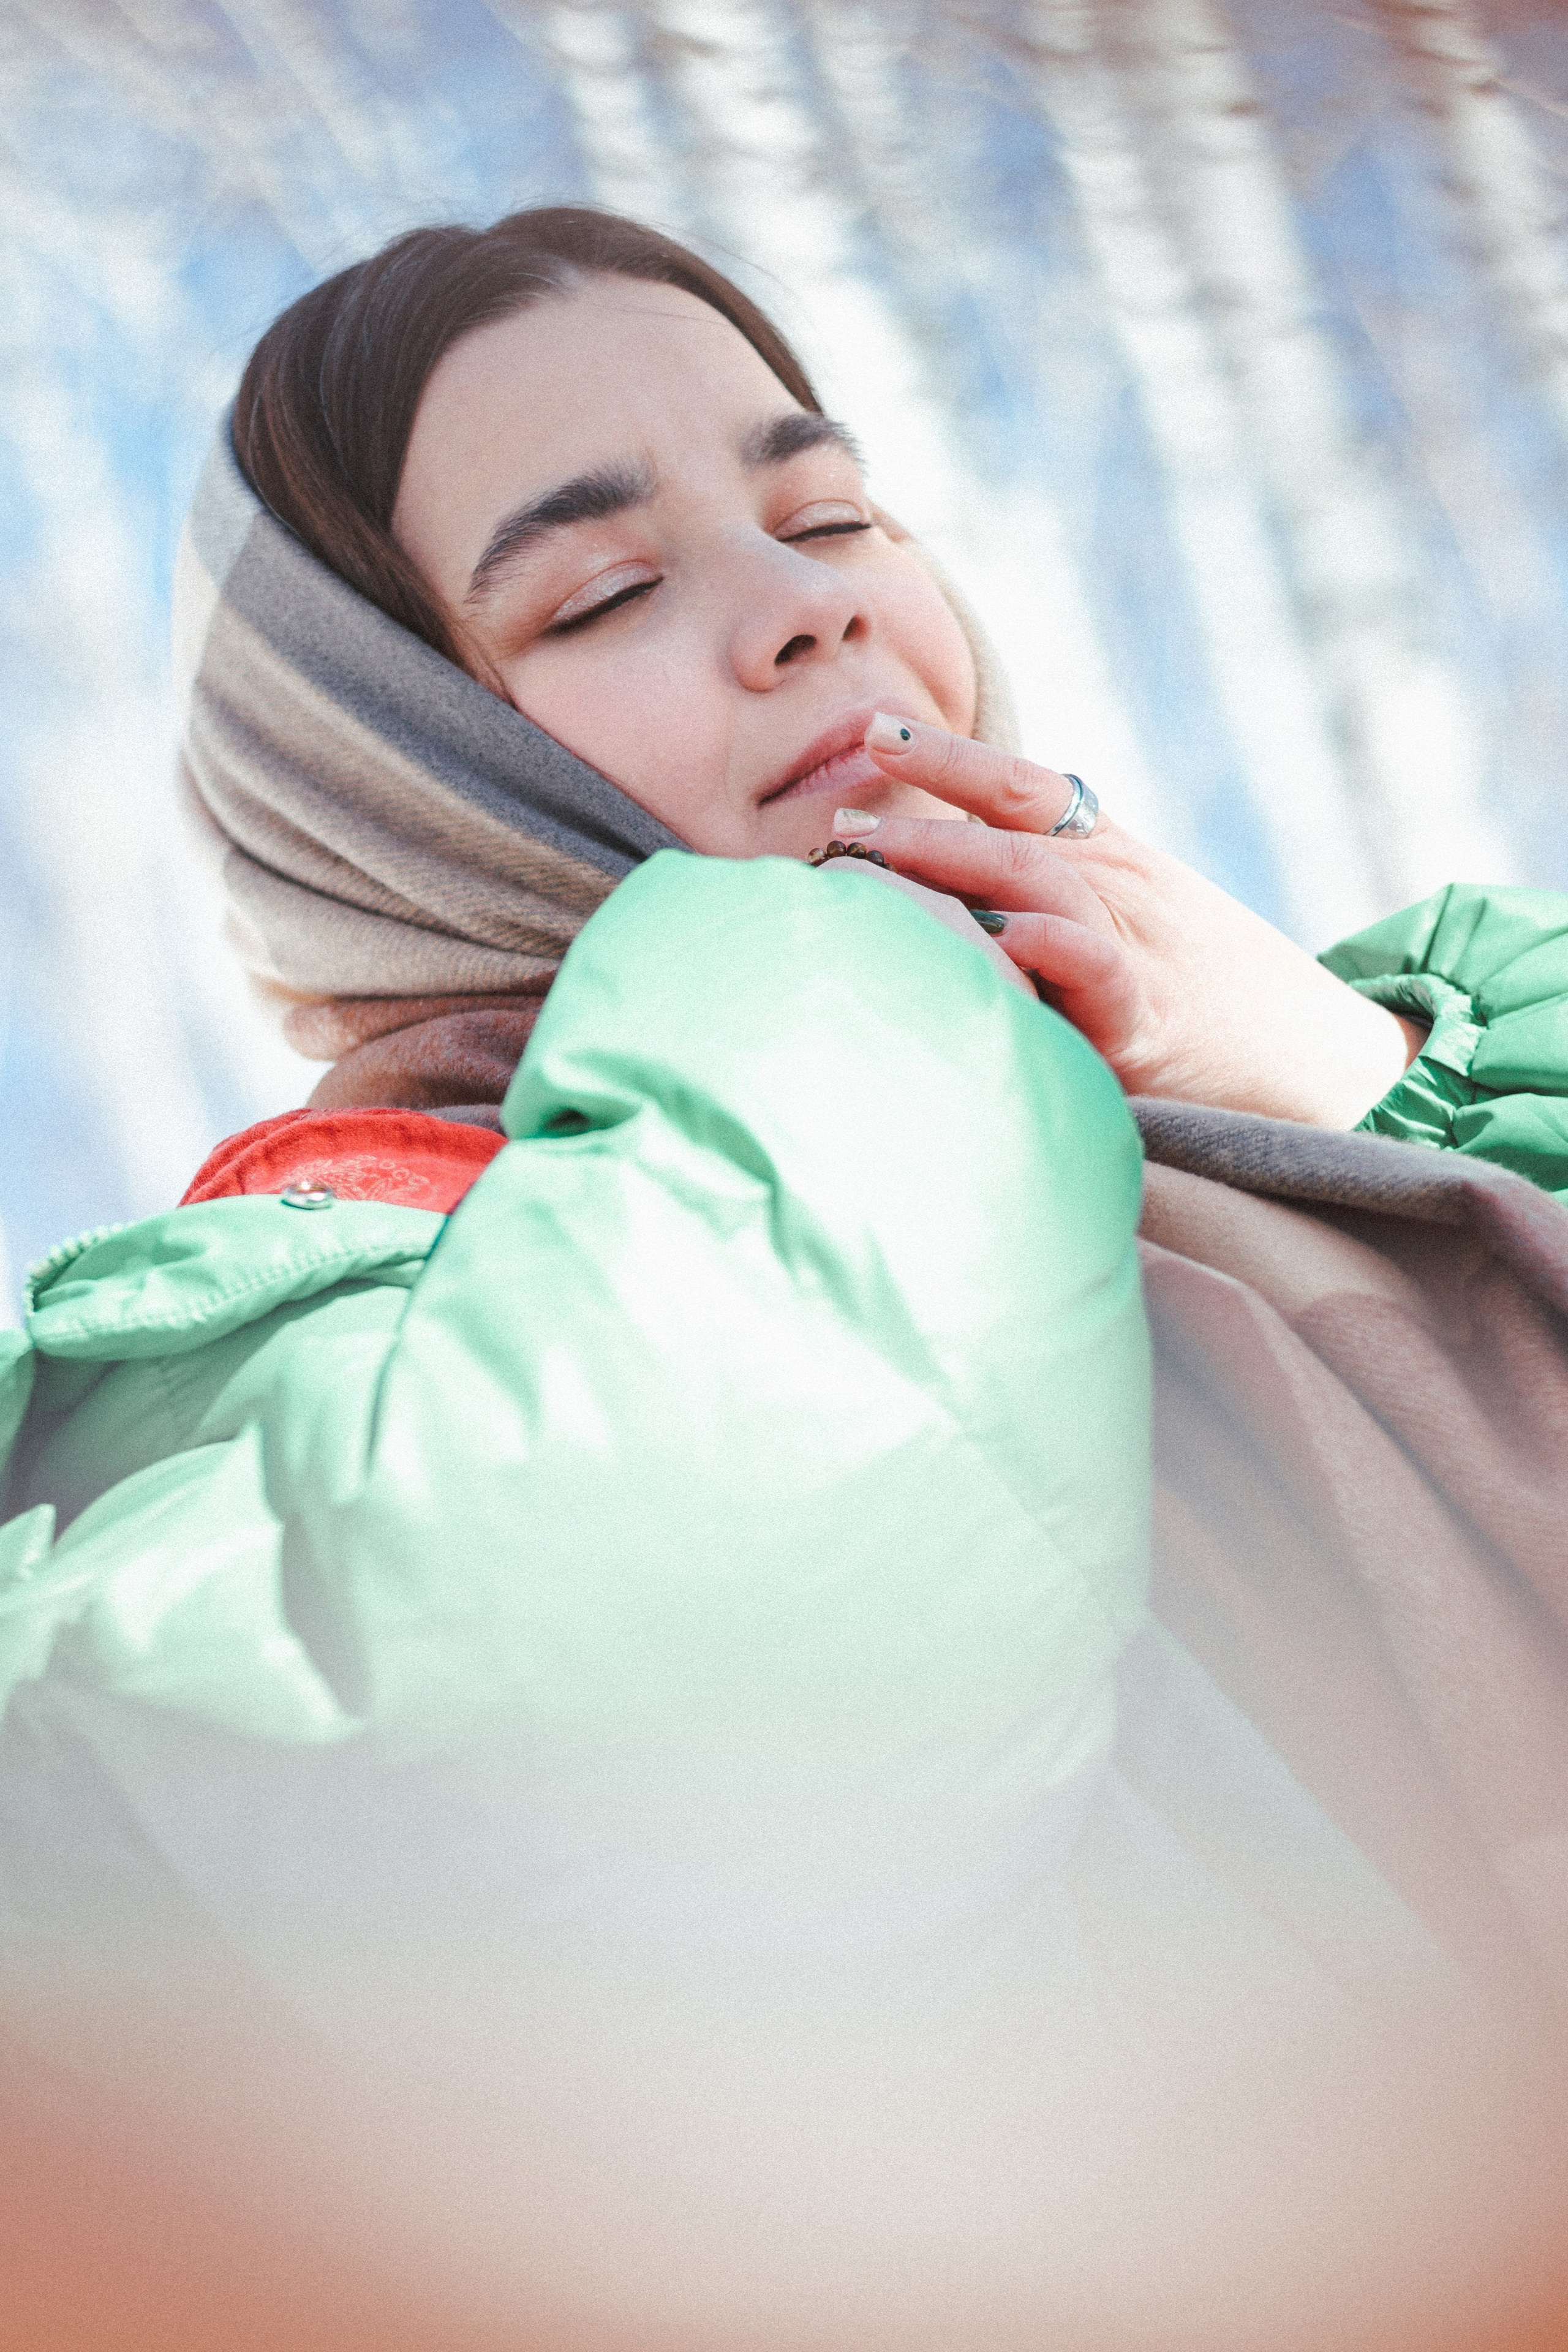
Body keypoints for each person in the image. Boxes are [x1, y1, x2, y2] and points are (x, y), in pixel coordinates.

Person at [4, 207, 1568, 2348]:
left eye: (824, 511)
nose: (805, 609)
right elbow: (690, 1742)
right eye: (608, 590)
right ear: (387, 790)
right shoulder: (287, 1340)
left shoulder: (1311, 1098)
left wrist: (1349, 1075)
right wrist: (850, 949)